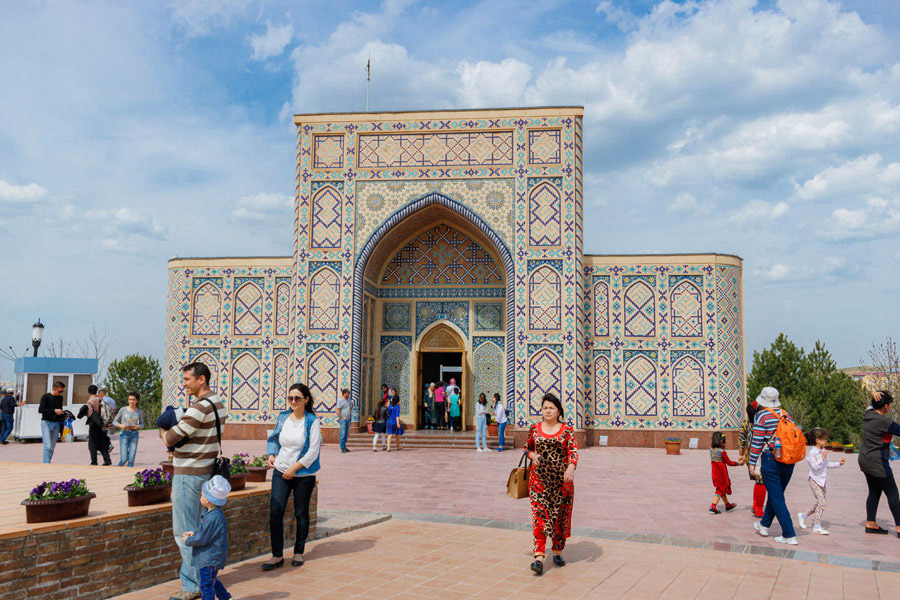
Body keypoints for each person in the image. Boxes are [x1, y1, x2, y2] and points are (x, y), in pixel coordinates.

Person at [163, 362, 226, 600]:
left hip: (189, 475)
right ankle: (203, 578)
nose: (184, 383)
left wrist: (165, 434)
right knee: (200, 530)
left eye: (188, 379)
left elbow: (171, 436)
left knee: (185, 532)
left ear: (202, 379)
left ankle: (191, 585)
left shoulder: (199, 408)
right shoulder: (218, 404)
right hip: (206, 472)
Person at [263, 383, 322, 571]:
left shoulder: (312, 421)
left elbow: (313, 451)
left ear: (306, 399)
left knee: (301, 513)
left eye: (297, 398)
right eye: (290, 398)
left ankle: (298, 552)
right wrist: (272, 455)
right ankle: (277, 555)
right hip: (281, 470)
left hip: (303, 473)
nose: (293, 401)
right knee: (275, 511)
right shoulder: (282, 417)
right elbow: (273, 438)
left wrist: (294, 468)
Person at [525, 393, 578, 575]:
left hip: (562, 482)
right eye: (545, 407)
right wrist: (533, 455)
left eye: (551, 408)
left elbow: (573, 451)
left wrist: (571, 467)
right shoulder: (534, 428)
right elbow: (528, 448)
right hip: (539, 481)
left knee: (559, 519)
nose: (548, 411)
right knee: (539, 517)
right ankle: (539, 556)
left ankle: (557, 551)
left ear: (558, 411)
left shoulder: (567, 430)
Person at [748, 386, 798, 545]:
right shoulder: (786, 414)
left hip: (771, 460)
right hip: (789, 461)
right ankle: (764, 525)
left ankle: (789, 534)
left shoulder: (761, 416)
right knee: (776, 495)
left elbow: (757, 441)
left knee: (777, 498)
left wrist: (752, 462)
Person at [182, 475, 233, 600]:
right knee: (212, 580)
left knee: (206, 586)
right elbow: (205, 532)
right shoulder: (210, 513)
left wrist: (188, 541)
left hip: (209, 558)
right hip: (209, 558)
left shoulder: (213, 517)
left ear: (208, 500)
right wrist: (194, 533)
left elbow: (203, 539)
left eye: (202, 495)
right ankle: (225, 598)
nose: (201, 497)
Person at [859, 390, 900, 537]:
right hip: (877, 462)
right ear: (886, 406)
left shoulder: (868, 415)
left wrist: (874, 393)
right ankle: (899, 527)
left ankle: (870, 523)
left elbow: (869, 407)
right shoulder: (884, 422)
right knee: (893, 494)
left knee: (874, 491)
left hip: (865, 460)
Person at [798, 428, 845, 535]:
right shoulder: (812, 453)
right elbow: (815, 467)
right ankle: (817, 525)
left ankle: (803, 515)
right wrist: (822, 458)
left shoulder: (824, 451)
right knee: (822, 503)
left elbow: (827, 465)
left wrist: (839, 464)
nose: (826, 442)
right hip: (814, 480)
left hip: (822, 481)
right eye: (824, 440)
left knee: (820, 503)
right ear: (817, 440)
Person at [739, 399, 767, 517]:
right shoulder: (762, 423)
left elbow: (742, 441)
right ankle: (758, 508)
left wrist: (741, 455)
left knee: (759, 480)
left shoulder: (745, 423)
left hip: (750, 455)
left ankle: (756, 505)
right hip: (760, 455)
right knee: (761, 480)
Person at [77, 384, 111, 466]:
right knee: (102, 442)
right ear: (96, 391)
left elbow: (90, 413)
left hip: (94, 424)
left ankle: (94, 462)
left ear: (88, 392)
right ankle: (107, 460)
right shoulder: (101, 399)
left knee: (92, 443)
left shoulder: (90, 401)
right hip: (102, 424)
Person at [709, 431, 739, 514]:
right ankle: (713, 506)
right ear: (721, 441)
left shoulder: (711, 451)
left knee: (721, 489)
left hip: (715, 473)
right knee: (720, 490)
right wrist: (738, 463)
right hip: (721, 474)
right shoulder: (722, 452)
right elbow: (729, 462)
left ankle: (727, 505)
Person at [38, 380, 66, 463]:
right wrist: (54, 411)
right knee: (48, 446)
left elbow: (59, 410)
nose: (61, 393)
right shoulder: (46, 397)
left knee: (52, 447)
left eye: (62, 391)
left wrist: (62, 413)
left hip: (56, 423)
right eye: (60, 391)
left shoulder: (60, 398)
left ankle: (48, 462)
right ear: (54, 388)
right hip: (46, 422)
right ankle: (46, 464)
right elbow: (41, 410)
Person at [113, 391, 144, 467]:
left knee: (131, 459)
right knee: (123, 459)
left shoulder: (139, 411)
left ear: (137, 400)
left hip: (134, 435)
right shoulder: (123, 409)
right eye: (129, 399)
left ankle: (130, 476)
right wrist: (120, 426)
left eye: (133, 399)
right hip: (124, 434)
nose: (131, 401)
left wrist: (138, 426)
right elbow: (114, 421)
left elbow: (142, 424)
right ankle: (117, 470)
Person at [98, 387, 117, 453]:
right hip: (110, 419)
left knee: (102, 434)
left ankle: (108, 446)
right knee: (105, 433)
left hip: (103, 419)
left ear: (100, 394)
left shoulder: (103, 400)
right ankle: (106, 447)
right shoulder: (112, 400)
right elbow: (114, 410)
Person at [335, 388, 352, 453]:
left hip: (347, 419)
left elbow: (350, 407)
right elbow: (337, 409)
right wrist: (341, 417)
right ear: (344, 393)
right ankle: (342, 448)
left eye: (349, 393)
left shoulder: (349, 400)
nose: (348, 394)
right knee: (342, 433)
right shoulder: (340, 400)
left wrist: (350, 413)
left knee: (346, 434)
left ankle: (344, 446)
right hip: (343, 419)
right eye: (347, 393)